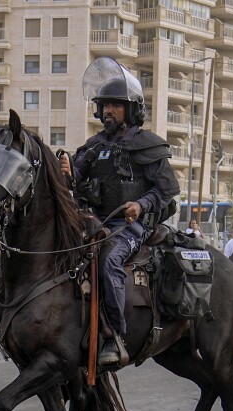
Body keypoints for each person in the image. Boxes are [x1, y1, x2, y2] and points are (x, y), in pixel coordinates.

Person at [62, 57, 180, 368]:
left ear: (131, 109)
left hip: (129, 226)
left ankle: (114, 333)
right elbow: (74, 178)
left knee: (109, 258)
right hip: (92, 220)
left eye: (115, 104)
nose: (108, 111)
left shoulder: (147, 145)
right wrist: (66, 171)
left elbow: (167, 189)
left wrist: (141, 205)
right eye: (104, 105)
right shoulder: (93, 145)